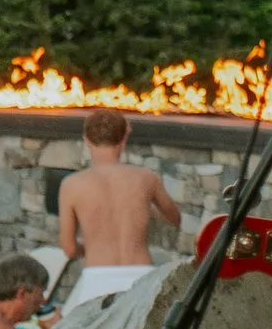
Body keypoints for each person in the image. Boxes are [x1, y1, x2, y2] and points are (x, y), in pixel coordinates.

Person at [57, 110, 181, 276]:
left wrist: (92, 248)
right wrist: (146, 211)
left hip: (98, 273)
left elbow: (70, 249)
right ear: (124, 140)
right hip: (140, 274)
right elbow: (174, 219)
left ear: (86, 140)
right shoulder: (147, 178)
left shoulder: (72, 185)